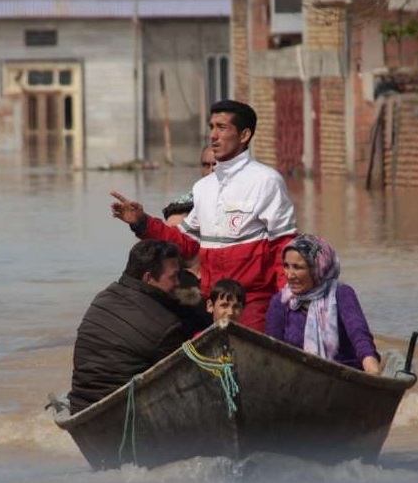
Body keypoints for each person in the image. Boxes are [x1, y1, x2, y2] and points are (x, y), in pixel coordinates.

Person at [110, 100, 297, 331]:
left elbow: (284, 249)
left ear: (244, 135)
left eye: (222, 127)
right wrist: (142, 223)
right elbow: (185, 246)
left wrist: (288, 305)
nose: (213, 136)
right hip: (211, 303)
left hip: (251, 303)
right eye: (211, 127)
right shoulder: (203, 188)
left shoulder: (266, 181)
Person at [68, 240, 206, 413]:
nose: (178, 283)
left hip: (80, 404)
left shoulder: (104, 297)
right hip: (124, 411)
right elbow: (185, 378)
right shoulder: (165, 325)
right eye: (173, 277)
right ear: (148, 278)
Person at [265, 234, 382, 375]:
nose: (289, 275)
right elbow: (272, 350)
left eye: (297, 267)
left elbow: (360, 336)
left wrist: (372, 370)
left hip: (344, 376)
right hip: (296, 378)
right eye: (286, 266)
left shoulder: (341, 294)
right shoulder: (281, 302)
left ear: (317, 268)